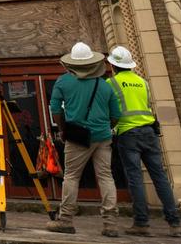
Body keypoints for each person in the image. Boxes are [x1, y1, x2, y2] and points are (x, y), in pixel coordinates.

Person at [46, 41, 121, 237]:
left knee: (71, 177)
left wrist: (63, 130)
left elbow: (55, 110)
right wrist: (105, 128)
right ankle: (110, 223)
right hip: (103, 137)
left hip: (77, 137)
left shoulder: (63, 82)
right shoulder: (104, 85)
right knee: (105, 176)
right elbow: (116, 115)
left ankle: (65, 220)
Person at [106, 46, 181, 238]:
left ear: (113, 65)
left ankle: (141, 222)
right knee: (160, 177)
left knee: (135, 178)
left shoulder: (111, 83)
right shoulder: (143, 82)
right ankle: (174, 223)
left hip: (128, 133)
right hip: (149, 132)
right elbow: (147, 105)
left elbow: (111, 111)